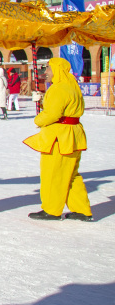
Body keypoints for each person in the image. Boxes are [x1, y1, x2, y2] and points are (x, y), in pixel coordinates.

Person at [23, 58, 92, 221]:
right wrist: (42, 100)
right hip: (74, 136)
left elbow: (53, 114)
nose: (45, 72)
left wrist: (38, 120)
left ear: (57, 70)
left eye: (48, 68)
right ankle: (82, 209)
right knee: (71, 175)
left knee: (53, 174)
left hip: (59, 138)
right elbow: (65, 108)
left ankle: (51, 210)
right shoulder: (72, 86)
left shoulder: (58, 88)